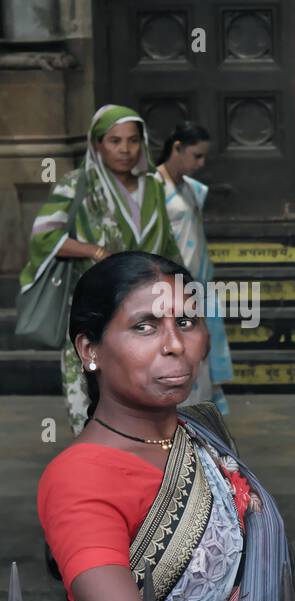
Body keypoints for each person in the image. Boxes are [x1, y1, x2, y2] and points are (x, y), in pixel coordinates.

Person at [37, 252, 295, 601]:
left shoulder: (201, 430)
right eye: (145, 326)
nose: (175, 345)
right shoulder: (80, 477)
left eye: (186, 323)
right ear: (90, 349)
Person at [19, 104, 182, 434]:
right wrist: (93, 250)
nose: (125, 150)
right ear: (97, 145)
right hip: (95, 308)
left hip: (147, 311)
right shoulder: (77, 184)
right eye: (114, 141)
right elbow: (44, 235)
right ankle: (93, 458)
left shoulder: (152, 186)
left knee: (144, 390)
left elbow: (167, 245)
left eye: (133, 141)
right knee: (90, 390)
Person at [157, 121, 233, 414]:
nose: (200, 163)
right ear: (177, 148)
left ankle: (200, 419)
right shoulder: (154, 186)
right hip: (170, 284)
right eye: (196, 155)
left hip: (198, 281)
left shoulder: (191, 189)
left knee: (201, 353)